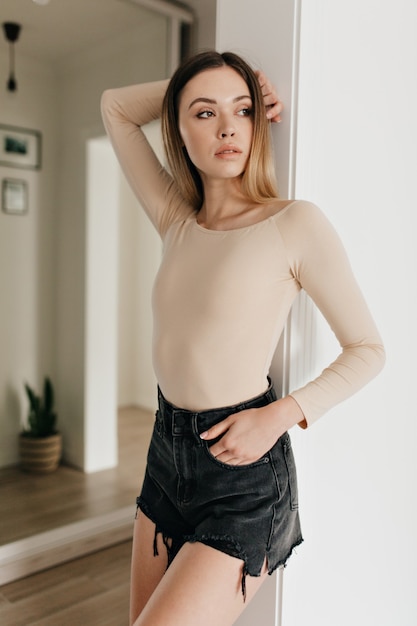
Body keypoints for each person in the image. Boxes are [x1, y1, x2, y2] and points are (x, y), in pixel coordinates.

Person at [101, 50, 385, 626]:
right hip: (165, 454)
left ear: (257, 123)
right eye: (204, 114)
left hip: (245, 476)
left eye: (243, 110)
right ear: (180, 131)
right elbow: (115, 108)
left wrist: (281, 414)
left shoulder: (294, 223)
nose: (228, 126)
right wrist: (216, 84)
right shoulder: (178, 220)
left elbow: (368, 350)